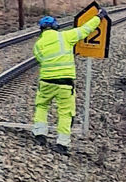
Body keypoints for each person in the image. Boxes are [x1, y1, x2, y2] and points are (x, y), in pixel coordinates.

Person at [31, 12, 86, 151]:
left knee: (41, 106)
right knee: (65, 113)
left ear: (42, 29)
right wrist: (99, 17)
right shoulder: (66, 36)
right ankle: (62, 144)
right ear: (56, 26)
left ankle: (40, 135)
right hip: (65, 83)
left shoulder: (38, 44)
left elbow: (41, 60)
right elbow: (86, 29)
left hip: (46, 82)